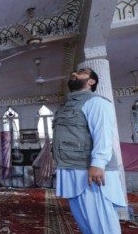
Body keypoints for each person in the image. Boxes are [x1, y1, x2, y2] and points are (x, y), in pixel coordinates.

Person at [53, 68, 127, 234]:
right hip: (72, 167)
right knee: (86, 223)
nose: (74, 74)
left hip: (90, 170)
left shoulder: (96, 102)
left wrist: (98, 163)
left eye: (81, 72)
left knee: (102, 224)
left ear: (91, 81)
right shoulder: (67, 106)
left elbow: (103, 134)